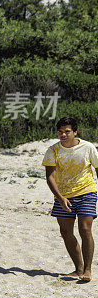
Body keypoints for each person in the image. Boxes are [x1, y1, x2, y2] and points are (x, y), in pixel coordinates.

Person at [42, 116, 98, 282]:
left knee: (85, 228)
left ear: (75, 132)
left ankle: (87, 270)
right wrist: (60, 198)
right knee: (65, 232)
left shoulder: (88, 148)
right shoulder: (52, 151)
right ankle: (78, 268)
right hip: (63, 194)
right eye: (60, 132)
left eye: (67, 131)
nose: (63, 135)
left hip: (87, 191)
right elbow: (50, 177)